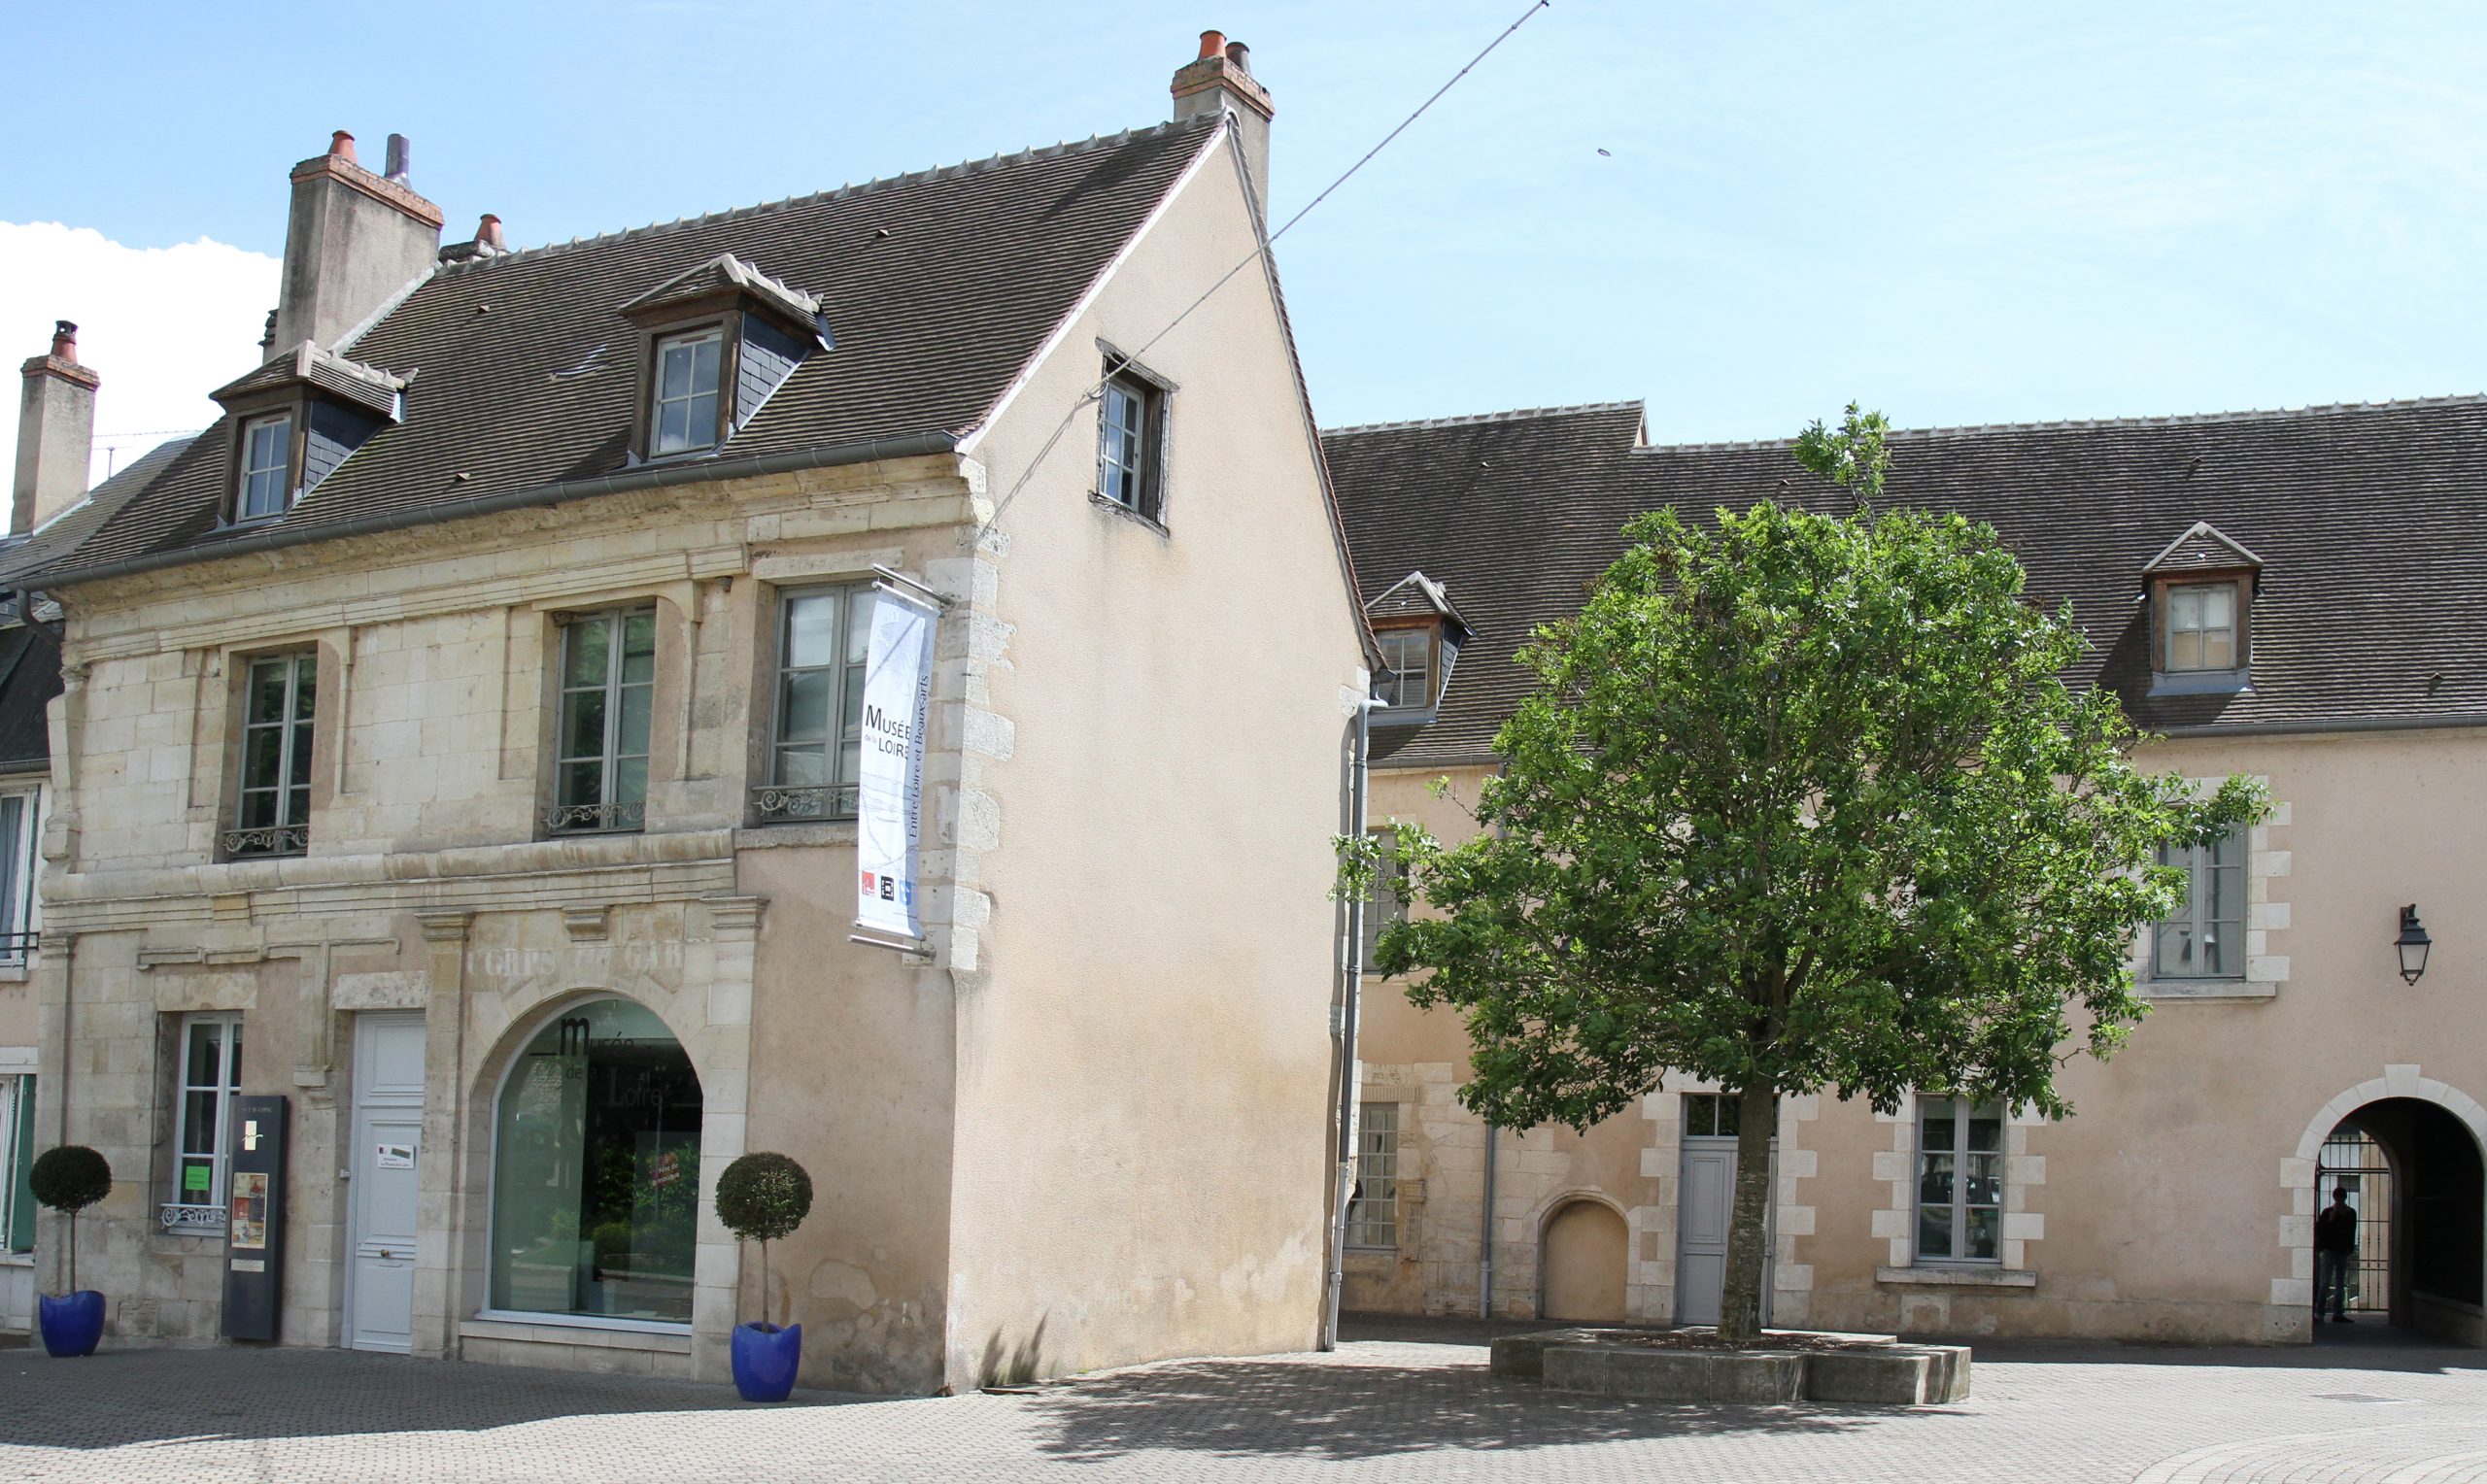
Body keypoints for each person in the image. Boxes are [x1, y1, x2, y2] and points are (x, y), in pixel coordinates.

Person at [2313, 1184, 2357, 1323]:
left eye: (2340, 1198)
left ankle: (2331, 1313)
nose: (2339, 1201)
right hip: (2333, 1250)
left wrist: (2349, 1248)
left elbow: (2351, 1231)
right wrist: (2331, 1220)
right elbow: (2320, 1229)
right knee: (2328, 1282)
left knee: (2335, 1282)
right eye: (2339, 1198)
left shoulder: (2350, 1213)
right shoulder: (2329, 1212)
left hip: (2338, 1250)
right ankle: (2325, 1313)